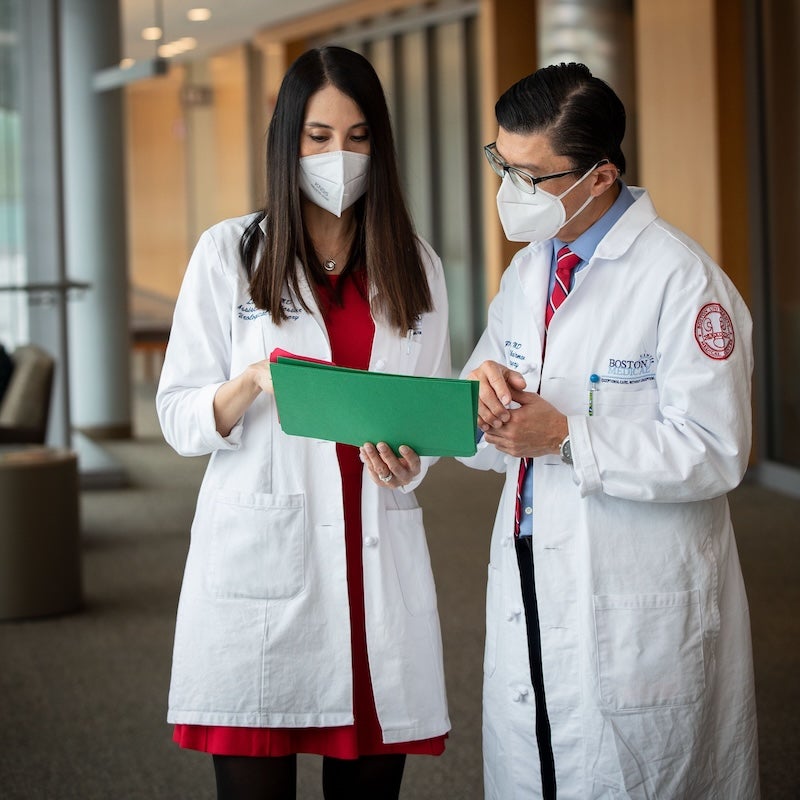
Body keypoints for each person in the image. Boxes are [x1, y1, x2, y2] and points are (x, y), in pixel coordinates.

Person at [156, 46, 451, 800]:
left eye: (357, 137)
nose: (337, 156)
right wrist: (252, 381)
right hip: (266, 561)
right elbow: (179, 416)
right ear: (287, 142)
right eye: (318, 137)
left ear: (380, 145)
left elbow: (427, 410)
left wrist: (410, 461)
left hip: (370, 551)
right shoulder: (229, 254)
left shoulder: (415, 265)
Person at [459, 62, 759, 799]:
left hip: (633, 582)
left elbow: (717, 449)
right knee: (536, 760)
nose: (510, 191)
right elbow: (483, 400)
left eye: (531, 177)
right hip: (532, 558)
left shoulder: (682, 281)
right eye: (502, 165)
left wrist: (568, 437)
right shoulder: (528, 272)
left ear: (600, 177)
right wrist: (480, 399)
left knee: (632, 772)